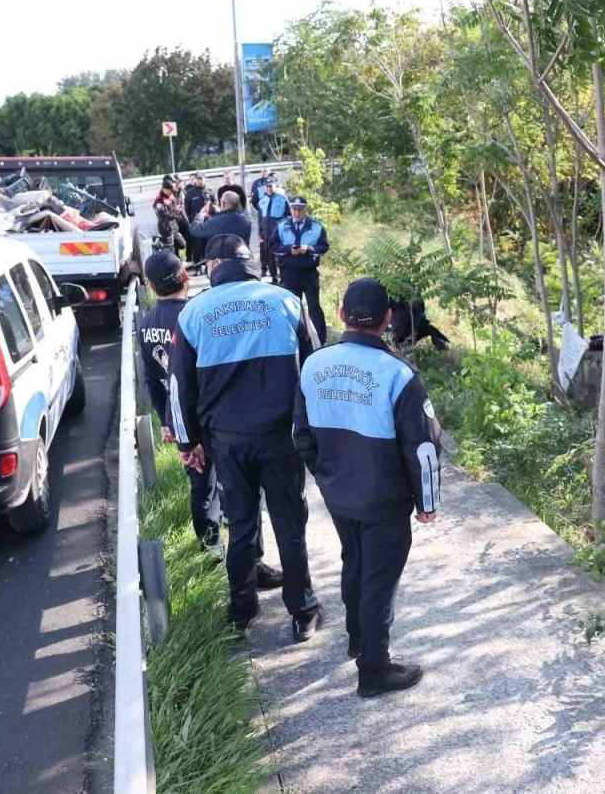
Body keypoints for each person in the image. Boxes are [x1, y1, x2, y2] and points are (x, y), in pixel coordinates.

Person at [293, 277, 442, 697]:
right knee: (379, 580)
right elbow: (424, 448)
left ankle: (358, 639)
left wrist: (327, 475)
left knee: (354, 562)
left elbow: (300, 433)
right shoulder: (398, 374)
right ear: (388, 320)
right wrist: (426, 502)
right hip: (385, 499)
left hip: (339, 495)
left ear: (341, 314)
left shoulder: (314, 364)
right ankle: (374, 670)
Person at [168, 234, 322, 635]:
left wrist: (189, 444)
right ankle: (303, 612)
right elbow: (314, 368)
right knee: (290, 524)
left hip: (228, 441)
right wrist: (315, 433)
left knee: (241, 525)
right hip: (281, 438)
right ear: (250, 262)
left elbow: (180, 387)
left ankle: (242, 612)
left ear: (214, 267)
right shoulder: (287, 300)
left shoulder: (194, 313)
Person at [138, 250, 284, 587]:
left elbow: (152, 381)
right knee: (239, 497)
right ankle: (250, 565)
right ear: (186, 277)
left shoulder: (146, 324)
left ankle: (212, 556)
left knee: (201, 490)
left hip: (182, 424)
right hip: (213, 422)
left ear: (149, 285)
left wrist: (170, 424)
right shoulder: (197, 315)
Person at [269, 195, 329, 344]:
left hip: (309, 274)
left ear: (305, 210)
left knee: (314, 306)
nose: (297, 213)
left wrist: (308, 249)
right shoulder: (282, 226)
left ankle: (320, 339)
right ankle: (292, 339)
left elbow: (324, 247)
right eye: (294, 209)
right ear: (290, 209)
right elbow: (272, 246)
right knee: (291, 307)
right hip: (289, 273)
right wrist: (289, 249)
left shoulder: (316, 227)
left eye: (300, 210)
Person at [255, 176, 289, 284]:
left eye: (271, 186)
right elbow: (260, 218)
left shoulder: (282, 199)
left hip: (279, 234)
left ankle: (284, 278)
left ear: (275, 186)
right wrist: (261, 233)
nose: (269, 188)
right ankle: (274, 278)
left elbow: (288, 216)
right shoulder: (263, 200)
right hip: (267, 233)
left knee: (280, 257)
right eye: (267, 186)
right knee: (269, 257)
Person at [183, 172, 213, 262]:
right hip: (196, 223)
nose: (199, 181)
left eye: (201, 178)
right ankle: (197, 266)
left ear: (205, 179)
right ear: (195, 180)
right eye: (198, 179)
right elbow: (187, 210)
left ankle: (207, 264)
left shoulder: (209, 192)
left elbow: (214, 206)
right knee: (197, 246)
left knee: (208, 244)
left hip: (208, 222)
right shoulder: (190, 193)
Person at [153, 178, 187, 254]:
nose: (172, 192)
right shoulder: (159, 201)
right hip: (166, 228)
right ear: (165, 189)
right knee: (170, 249)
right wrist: (176, 210)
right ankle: (159, 245)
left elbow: (175, 208)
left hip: (174, 226)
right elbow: (163, 216)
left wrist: (178, 211)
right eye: (171, 190)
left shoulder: (171, 196)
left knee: (182, 244)